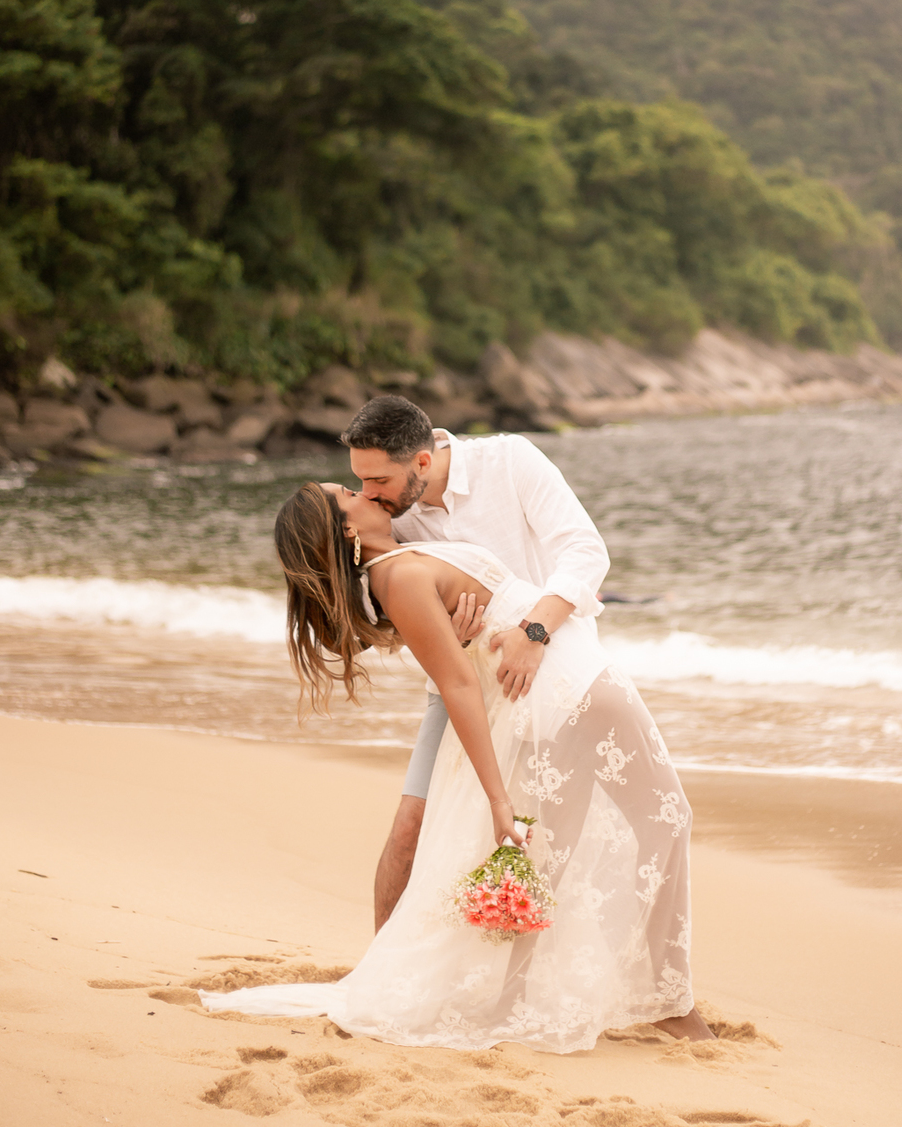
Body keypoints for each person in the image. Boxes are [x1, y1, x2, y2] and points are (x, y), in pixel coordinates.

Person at [200, 481, 712, 1052]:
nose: (364, 491)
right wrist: (498, 799)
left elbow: (462, 648)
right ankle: (671, 1004)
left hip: (556, 687)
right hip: (570, 686)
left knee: (553, 856)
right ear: (347, 529)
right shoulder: (398, 577)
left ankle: (519, 996)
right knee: (666, 820)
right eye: (348, 493)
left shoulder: (399, 563)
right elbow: (458, 685)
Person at [337, 396, 611, 930]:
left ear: (422, 461)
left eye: (378, 480)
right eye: (360, 481)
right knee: (412, 825)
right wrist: (447, 636)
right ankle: (381, 966)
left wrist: (533, 632)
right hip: (458, 686)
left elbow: (585, 551)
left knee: (547, 833)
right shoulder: (389, 517)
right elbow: (384, 619)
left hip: (550, 672)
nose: (368, 492)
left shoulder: (509, 461)